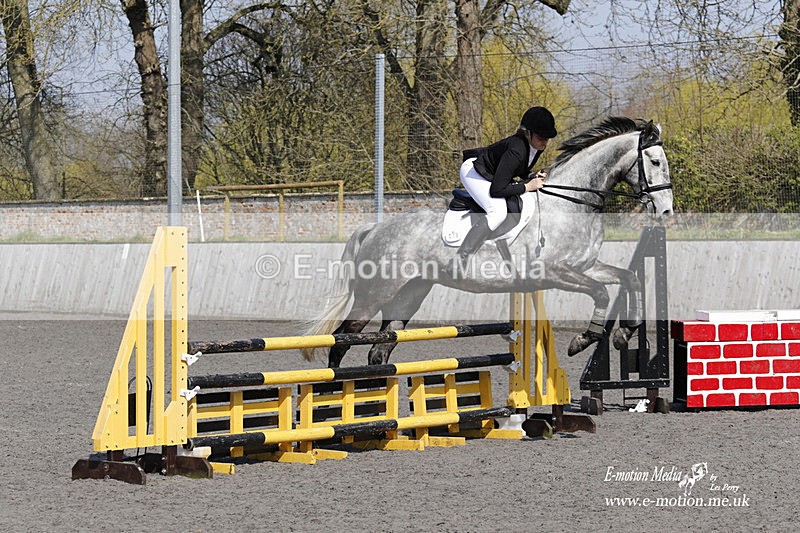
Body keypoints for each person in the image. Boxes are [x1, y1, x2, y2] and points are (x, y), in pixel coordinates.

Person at [450, 106, 557, 271]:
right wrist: (527, 186)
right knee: (498, 211)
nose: (544, 142)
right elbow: (497, 190)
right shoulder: (517, 149)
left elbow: (518, 169)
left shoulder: (535, 147)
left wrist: (531, 175)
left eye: (547, 138)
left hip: (492, 173)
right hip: (473, 172)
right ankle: (458, 261)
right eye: (541, 137)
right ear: (527, 133)